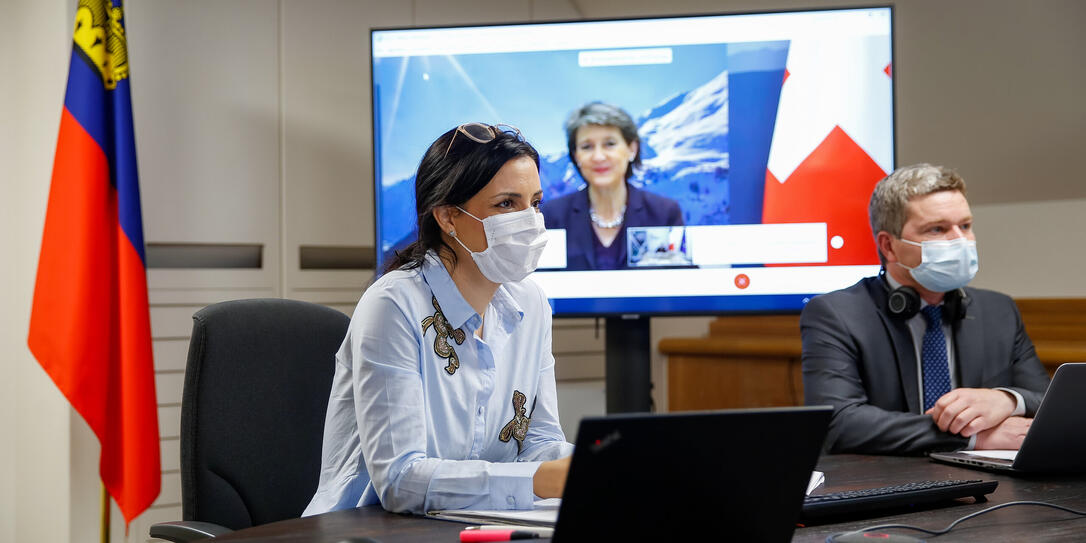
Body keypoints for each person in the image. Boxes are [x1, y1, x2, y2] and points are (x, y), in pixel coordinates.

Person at [304, 123, 573, 516]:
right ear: (448, 217)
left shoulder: (531, 303)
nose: (530, 220)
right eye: (506, 204)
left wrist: (596, 469)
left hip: (474, 523)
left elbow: (541, 442)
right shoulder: (393, 304)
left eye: (535, 202)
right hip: (368, 529)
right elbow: (400, 479)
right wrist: (536, 481)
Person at [801, 164, 1050, 455]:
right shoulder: (836, 314)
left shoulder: (999, 310)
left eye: (965, 226)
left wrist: (1008, 400)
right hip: (891, 485)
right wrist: (969, 439)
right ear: (889, 246)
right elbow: (839, 423)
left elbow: (1048, 400)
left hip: (992, 486)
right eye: (937, 229)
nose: (960, 240)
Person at [542, 102, 683, 270]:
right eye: (587, 147)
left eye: (609, 144)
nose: (599, 156)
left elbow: (682, 283)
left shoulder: (663, 213)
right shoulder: (552, 216)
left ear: (632, 148)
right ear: (576, 156)